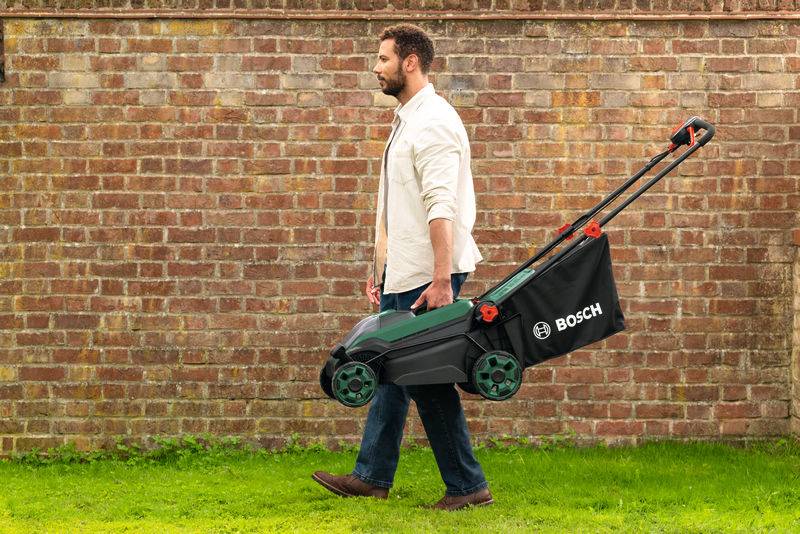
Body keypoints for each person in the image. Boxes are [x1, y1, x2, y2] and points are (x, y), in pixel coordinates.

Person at [312, 24, 492, 511]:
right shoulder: (409, 119)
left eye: (384, 59)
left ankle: (466, 486)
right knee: (391, 370)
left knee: (425, 378)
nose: (377, 67)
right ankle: (373, 476)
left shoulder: (433, 121)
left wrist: (439, 281)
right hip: (406, 271)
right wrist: (382, 269)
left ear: (410, 62)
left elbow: (440, 208)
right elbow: (398, 207)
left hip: (429, 275)